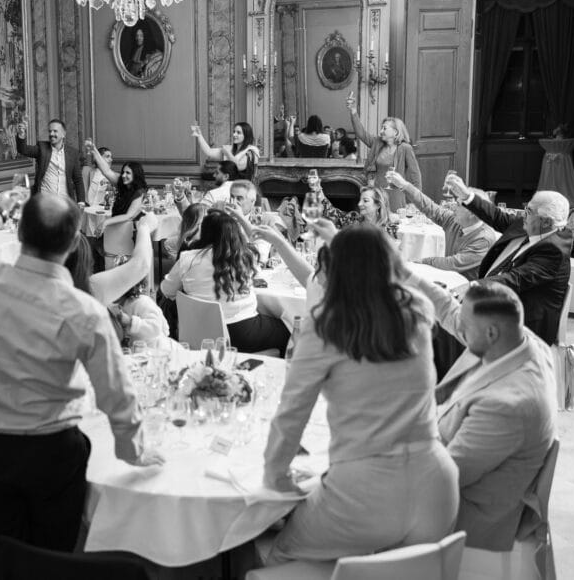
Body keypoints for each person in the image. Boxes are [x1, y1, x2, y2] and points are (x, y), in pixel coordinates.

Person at [0, 191, 162, 552]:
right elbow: (116, 393)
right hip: (53, 454)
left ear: (20, 235)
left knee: (4, 553)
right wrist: (134, 449)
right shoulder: (85, 311)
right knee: (53, 560)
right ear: (71, 245)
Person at [262, 224, 458, 565]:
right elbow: (438, 299)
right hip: (437, 482)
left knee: (278, 553)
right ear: (393, 265)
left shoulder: (325, 325)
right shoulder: (417, 311)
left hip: (364, 492)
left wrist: (275, 477)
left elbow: (292, 413)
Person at [407, 275, 556, 552]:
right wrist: (402, 273)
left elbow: (443, 478)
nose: (459, 330)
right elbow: (452, 313)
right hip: (451, 452)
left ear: (490, 333)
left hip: (464, 516)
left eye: (466, 327)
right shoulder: (520, 341)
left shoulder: (508, 407)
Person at [444, 176, 572, 345]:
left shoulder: (554, 250)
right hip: (502, 303)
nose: (523, 213)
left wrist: (473, 286)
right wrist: (467, 196)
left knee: (449, 331)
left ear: (546, 222)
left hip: (523, 323)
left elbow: (515, 279)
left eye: (529, 211)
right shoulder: (534, 225)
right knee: (447, 317)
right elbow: (498, 217)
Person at [160, 210, 290, 353]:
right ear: (235, 233)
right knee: (290, 329)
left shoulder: (187, 259)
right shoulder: (246, 257)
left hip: (198, 333)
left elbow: (166, 290)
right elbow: (259, 245)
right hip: (243, 333)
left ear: (204, 232)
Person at [386, 171, 496, 279]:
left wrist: (422, 261)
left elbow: (452, 264)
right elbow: (429, 206)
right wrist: (404, 185)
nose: (453, 207)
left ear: (471, 212)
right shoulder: (454, 221)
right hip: (450, 279)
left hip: (469, 290)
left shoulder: (484, 239)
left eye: (458, 204)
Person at [346, 92, 421, 211]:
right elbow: (361, 133)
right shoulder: (377, 143)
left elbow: (415, 175)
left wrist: (417, 201)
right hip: (377, 194)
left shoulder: (405, 148)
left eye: (384, 128)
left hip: (395, 196)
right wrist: (353, 111)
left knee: (394, 226)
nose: (381, 131)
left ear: (396, 132)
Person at [17, 118, 85, 203]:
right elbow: (23, 150)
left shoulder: (72, 153)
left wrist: (81, 201)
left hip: (65, 203)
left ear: (63, 134)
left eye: (55, 131)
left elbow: (78, 179)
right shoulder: (42, 149)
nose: (51, 134)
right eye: (50, 131)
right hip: (44, 202)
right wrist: (21, 134)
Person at [190, 121, 260, 180]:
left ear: (246, 136)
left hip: (242, 190)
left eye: (238, 132)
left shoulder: (250, 151)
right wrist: (199, 135)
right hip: (228, 187)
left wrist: (227, 153)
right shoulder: (230, 149)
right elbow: (209, 152)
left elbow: (238, 167)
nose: (234, 134)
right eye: (234, 131)